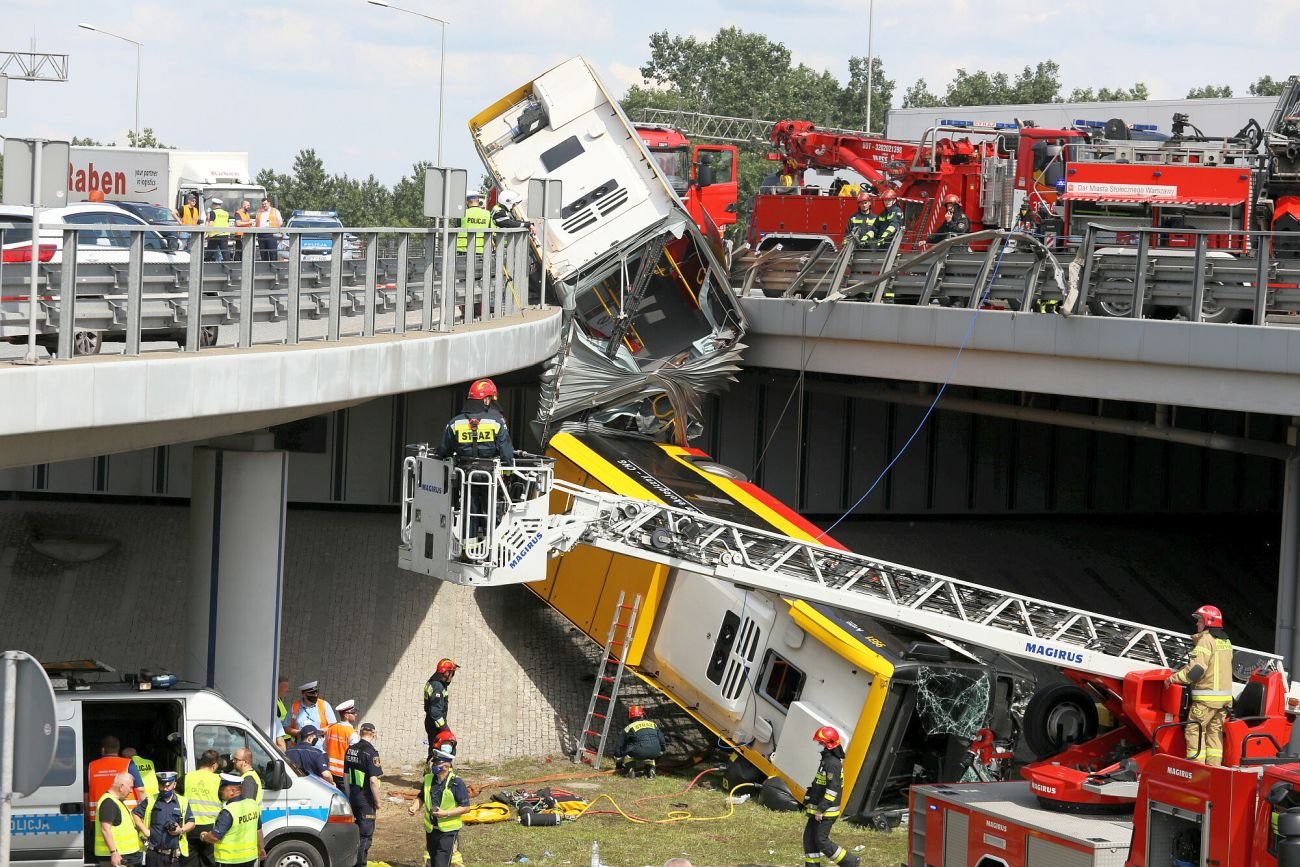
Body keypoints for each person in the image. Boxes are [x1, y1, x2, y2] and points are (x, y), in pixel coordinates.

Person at [1168, 604, 1234, 766]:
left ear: (1208, 622)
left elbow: (1195, 671)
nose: (1197, 624)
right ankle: (1214, 771)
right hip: (1223, 701)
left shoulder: (1206, 640)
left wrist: (1172, 678)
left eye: (1199, 620)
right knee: (1214, 733)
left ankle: (1195, 769)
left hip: (1206, 700)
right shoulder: (1225, 641)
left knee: (1194, 730)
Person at [802, 726, 859, 867]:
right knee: (809, 840)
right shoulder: (826, 761)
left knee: (821, 841)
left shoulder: (832, 764)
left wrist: (821, 809)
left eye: (821, 743)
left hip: (826, 811)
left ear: (829, 745)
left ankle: (850, 862)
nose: (819, 746)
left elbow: (832, 790)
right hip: (817, 809)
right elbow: (820, 784)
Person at [409, 749, 470, 867]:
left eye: (437, 763)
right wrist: (414, 807)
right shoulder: (428, 779)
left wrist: (446, 813)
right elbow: (421, 797)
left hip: (448, 831)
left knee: (441, 863)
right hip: (431, 829)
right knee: (433, 860)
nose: (434, 765)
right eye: (433, 763)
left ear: (446, 766)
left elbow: (466, 807)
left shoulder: (456, 782)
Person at [434, 379, 514, 463]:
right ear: (486, 399)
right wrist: (507, 471)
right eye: (489, 399)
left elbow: (443, 451)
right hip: (489, 472)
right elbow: (506, 452)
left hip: (462, 472)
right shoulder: (496, 423)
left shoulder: (454, 423)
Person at [133, 771, 195, 867]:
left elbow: (191, 822)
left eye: (168, 785)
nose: (165, 788)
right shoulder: (151, 800)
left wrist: (180, 830)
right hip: (154, 853)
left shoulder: (183, 801)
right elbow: (135, 814)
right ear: (158, 785)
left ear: (174, 784)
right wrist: (145, 831)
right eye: (162, 786)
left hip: (173, 855)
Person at [202, 774, 264, 867]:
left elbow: (215, 837)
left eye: (223, 789)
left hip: (229, 860)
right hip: (249, 859)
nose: (221, 791)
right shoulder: (252, 804)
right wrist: (261, 848)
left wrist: (204, 836)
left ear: (233, 791)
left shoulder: (228, 811)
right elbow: (258, 830)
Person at [344, 722, 382, 867]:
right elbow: (373, 781)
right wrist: (377, 801)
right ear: (373, 734)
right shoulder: (371, 753)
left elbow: (345, 776)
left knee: (354, 834)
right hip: (366, 799)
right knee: (365, 836)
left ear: (360, 733)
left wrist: (348, 796)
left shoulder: (350, 750)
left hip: (353, 796)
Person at [89, 736, 145, 821]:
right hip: (127, 816)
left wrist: (87, 817)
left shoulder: (91, 766)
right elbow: (140, 790)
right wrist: (143, 814)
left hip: (99, 817)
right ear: (118, 749)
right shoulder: (129, 764)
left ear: (103, 750)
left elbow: (85, 796)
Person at [96, 772, 145, 867]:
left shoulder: (117, 801)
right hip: (120, 857)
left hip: (126, 855)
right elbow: (105, 829)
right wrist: (114, 852)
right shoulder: (108, 802)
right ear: (121, 787)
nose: (131, 791)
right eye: (130, 787)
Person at [184, 750, 223, 867]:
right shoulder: (219, 780)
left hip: (190, 826)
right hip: (210, 827)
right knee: (209, 861)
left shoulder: (187, 777)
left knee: (190, 862)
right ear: (215, 764)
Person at [614, 705, 666, 779]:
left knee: (627, 751)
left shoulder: (629, 727)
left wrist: (618, 763)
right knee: (650, 753)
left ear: (630, 716)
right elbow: (662, 741)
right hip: (655, 751)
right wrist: (661, 751)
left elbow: (619, 745)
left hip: (640, 752)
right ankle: (650, 771)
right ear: (642, 715)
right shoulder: (653, 724)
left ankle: (630, 771)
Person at [423, 659, 459, 758]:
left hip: (432, 722)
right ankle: (437, 771)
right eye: (452, 673)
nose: (452, 676)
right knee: (445, 747)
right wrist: (444, 729)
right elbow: (435, 712)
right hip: (435, 724)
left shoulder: (434, 681)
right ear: (447, 673)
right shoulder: (438, 687)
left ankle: (431, 770)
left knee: (434, 749)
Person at [325, 701, 359, 784]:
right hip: (344, 772)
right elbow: (354, 756)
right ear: (347, 715)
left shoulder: (331, 729)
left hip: (330, 771)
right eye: (353, 713)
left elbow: (324, 748)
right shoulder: (352, 733)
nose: (356, 715)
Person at [254, 198, 282, 262]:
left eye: (265, 204)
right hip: (261, 234)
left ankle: (274, 268)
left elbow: (280, 222)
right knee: (263, 253)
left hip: (271, 234)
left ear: (269, 203)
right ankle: (264, 269)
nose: (264, 205)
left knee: (272, 253)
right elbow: (257, 222)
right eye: (263, 204)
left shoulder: (275, 211)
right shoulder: (259, 212)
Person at [206, 198, 231, 262]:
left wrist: (206, 233)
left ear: (214, 205)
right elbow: (227, 223)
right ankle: (228, 264)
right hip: (224, 234)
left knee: (210, 252)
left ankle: (206, 265)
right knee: (225, 251)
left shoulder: (213, 212)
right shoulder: (226, 213)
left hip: (215, 234)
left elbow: (211, 223)